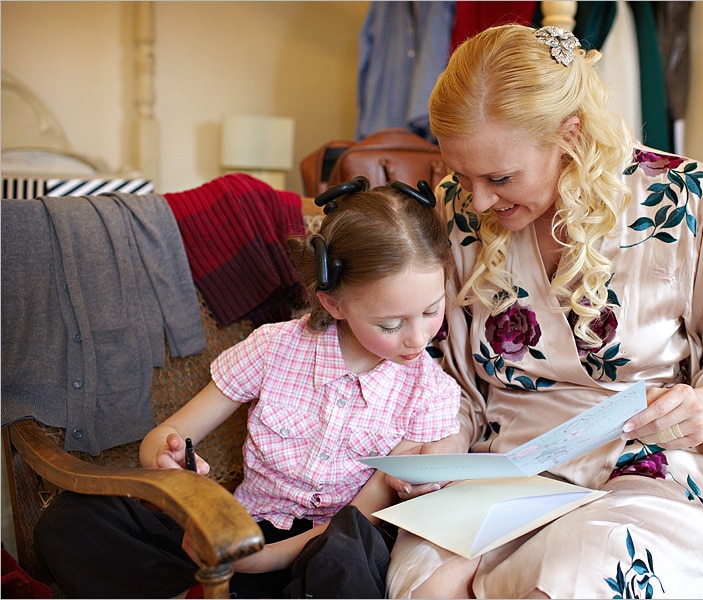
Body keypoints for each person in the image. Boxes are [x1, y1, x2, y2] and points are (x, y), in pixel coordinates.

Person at [384, 24, 703, 599]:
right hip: (500, 463)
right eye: (462, 174)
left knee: (583, 580)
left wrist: (702, 403)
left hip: (644, 465)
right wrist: (440, 446)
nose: (476, 200)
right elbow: (443, 371)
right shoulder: (458, 210)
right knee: (426, 587)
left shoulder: (686, 197)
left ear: (569, 135)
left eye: (500, 177)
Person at [33, 177, 462, 599]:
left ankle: (219, 591)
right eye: (390, 324)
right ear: (333, 303)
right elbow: (166, 437)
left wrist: (258, 560)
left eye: (431, 310)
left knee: (349, 553)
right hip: (241, 527)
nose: (418, 338)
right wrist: (166, 460)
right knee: (72, 519)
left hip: (325, 546)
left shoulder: (430, 392)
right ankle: (197, 592)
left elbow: (362, 515)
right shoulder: (274, 347)